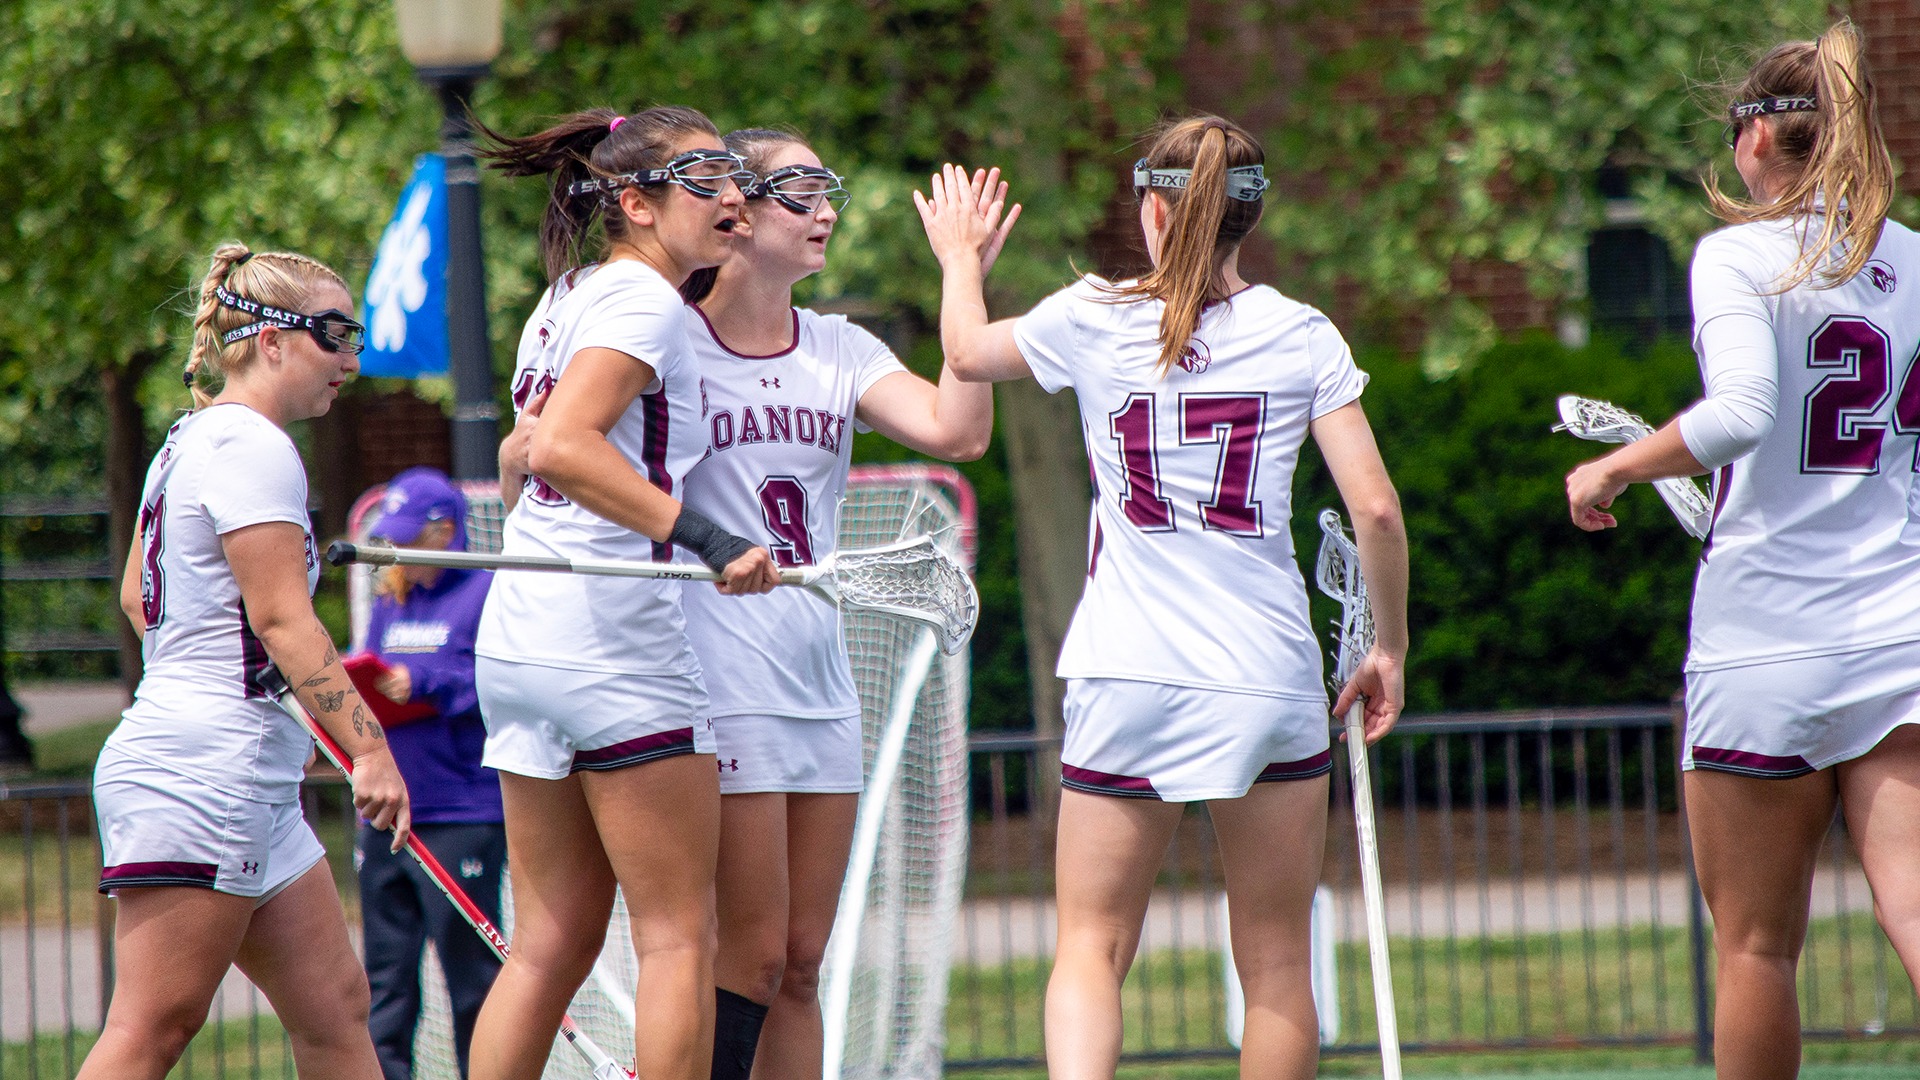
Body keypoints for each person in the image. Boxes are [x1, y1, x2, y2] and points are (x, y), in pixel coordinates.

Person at [917, 117, 1409, 1079]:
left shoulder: (1092, 314)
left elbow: (967, 354)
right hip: (1267, 677)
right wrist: (1386, 647)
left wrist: (961, 256)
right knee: (1273, 965)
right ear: (1251, 215)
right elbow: (1378, 511)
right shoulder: (1301, 332)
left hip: (1127, 671)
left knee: (1091, 949)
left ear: (1150, 205)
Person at [1566, 20, 1918, 1080]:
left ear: (1759, 139)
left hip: (1763, 639)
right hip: (1900, 632)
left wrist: (1616, 468)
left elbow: (1740, 414)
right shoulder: (1913, 259)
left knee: (1758, 949)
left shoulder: (1739, 254)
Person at [676, 130, 1010, 1080]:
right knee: (742, 954)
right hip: (715, 675)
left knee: (801, 963)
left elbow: (959, 429)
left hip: (817, 677)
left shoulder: (836, 345)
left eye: (832, 190)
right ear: (734, 209)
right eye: (803, 189)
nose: (826, 209)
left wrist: (963, 279)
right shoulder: (667, 339)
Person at [468, 105, 780, 1080]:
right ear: (636, 204)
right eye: (704, 179)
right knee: (681, 935)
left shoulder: (568, 297)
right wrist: (707, 534)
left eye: (734, 174)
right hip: (613, 642)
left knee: (549, 944)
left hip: (521, 639)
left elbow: (523, 461)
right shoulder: (641, 304)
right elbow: (562, 445)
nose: (734, 195)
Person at [82, 243, 407, 1080]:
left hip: (239, 772)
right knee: (153, 1027)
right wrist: (369, 748)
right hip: (206, 769)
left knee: (335, 1010)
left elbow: (136, 599)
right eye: (337, 336)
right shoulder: (253, 446)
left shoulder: (193, 439)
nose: (351, 361)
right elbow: (281, 619)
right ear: (271, 341)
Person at [353, 467, 504, 1080]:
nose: (398, 549)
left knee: (473, 984)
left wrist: (427, 683)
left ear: (447, 531)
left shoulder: (488, 591)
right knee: (385, 984)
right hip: (388, 814)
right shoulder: (394, 596)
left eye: (410, 535)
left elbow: (503, 684)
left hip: (460, 812)